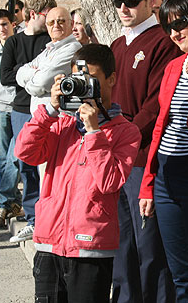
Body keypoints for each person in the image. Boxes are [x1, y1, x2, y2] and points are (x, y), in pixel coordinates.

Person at [14, 44, 141, 302]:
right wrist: (49, 110)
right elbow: (25, 152)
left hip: (90, 248)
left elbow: (110, 182)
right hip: (50, 241)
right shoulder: (61, 123)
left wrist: (94, 132)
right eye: (79, 81)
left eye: (92, 80)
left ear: (112, 78)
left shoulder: (125, 131)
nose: (85, 88)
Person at [139, 0, 188, 303]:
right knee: (178, 271)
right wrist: (148, 183)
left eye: (180, 23)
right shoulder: (174, 67)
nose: (174, 32)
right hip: (166, 177)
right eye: (167, 26)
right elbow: (160, 126)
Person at [110, 0, 178, 303]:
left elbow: (156, 105)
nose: (123, 8)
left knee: (148, 246)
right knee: (122, 244)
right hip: (115, 160)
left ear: (152, 0)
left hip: (143, 160)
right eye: (118, 1)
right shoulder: (116, 45)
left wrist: (126, 135)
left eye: (132, 1)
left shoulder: (164, 42)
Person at [1, 0, 54, 244]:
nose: (52, 21)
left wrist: (27, 74)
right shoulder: (13, 43)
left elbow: (50, 73)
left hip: (47, 109)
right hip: (22, 110)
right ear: (34, 14)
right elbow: (6, 77)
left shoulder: (50, 41)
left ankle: (49, 217)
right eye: (47, 15)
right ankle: (33, 219)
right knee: (26, 164)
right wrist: (33, 73)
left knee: (50, 166)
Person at [0, 9, 24, 229]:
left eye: (5, 24)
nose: (2, 29)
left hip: (20, 106)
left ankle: (3, 202)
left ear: (12, 24)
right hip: (1, 107)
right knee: (3, 158)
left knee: (15, 156)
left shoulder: (20, 45)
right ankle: (11, 202)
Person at [16, 6, 82, 114]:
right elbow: (19, 74)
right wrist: (36, 73)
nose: (56, 25)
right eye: (51, 23)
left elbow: (43, 82)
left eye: (61, 21)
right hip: (43, 119)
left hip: (59, 121)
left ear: (71, 23)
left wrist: (28, 86)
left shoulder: (73, 49)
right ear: (47, 26)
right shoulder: (49, 49)